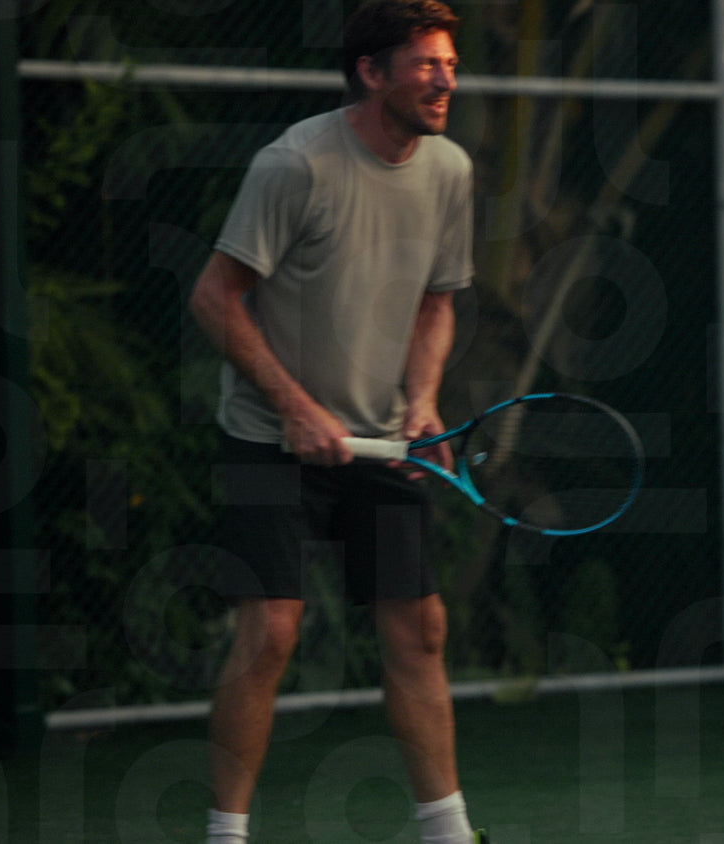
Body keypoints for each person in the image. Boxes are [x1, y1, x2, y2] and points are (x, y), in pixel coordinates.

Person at [187, 2, 485, 841]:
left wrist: (421, 402)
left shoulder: (450, 170)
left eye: (451, 65)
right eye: (426, 64)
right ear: (372, 72)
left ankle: (448, 832)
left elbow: (436, 303)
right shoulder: (295, 165)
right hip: (267, 437)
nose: (445, 81)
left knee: (419, 630)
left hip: (383, 440)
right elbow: (214, 297)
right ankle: (225, 835)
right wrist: (294, 406)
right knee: (272, 631)